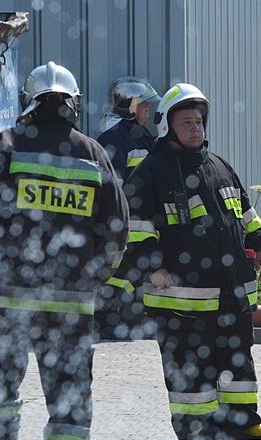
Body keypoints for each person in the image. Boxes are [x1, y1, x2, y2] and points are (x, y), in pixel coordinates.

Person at [0, 61, 128, 440]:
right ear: (71, 103)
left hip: (8, 299)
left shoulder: (7, 146)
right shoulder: (92, 153)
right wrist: (94, 278)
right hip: (69, 304)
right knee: (70, 393)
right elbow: (115, 229)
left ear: (31, 102)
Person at [116, 83, 261, 440]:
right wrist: (151, 267)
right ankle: (196, 429)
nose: (196, 129)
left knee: (237, 357)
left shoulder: (219, 167)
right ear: (167, 127)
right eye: (187, 122)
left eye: (199, 122)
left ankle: (243, 422)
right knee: (190, 365)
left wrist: (260, 247)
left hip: (231, 291)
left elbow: (246, 215)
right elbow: (133, 231)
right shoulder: (150, 173)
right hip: (180, 299)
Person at [94, 76, 160, 340]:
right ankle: (107, 323)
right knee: (116, 277)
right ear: (130, 106)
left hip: (143, 229)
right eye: (143, 106)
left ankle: (126, 323)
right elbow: (112, 187)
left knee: (133, 279)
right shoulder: (113, 138)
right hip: (124, 228)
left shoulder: (142, 137)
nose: (148, 110)